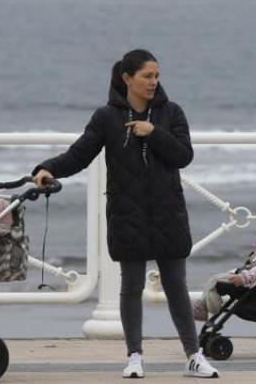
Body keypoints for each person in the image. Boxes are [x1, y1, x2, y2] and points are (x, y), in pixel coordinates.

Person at [31, 49, 218, 379]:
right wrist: (48, 168)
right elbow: (79, 154)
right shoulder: (106, 118)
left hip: (168, 213)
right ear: (127, 78)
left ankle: (194, 356)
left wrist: (153, 132)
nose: (153, 82)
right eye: (147, 76)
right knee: (130, 287)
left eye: (157, 76)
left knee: (176, 285)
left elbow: (183, 156)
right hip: (127, 215)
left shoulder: (171, 113)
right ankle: (134, 357)